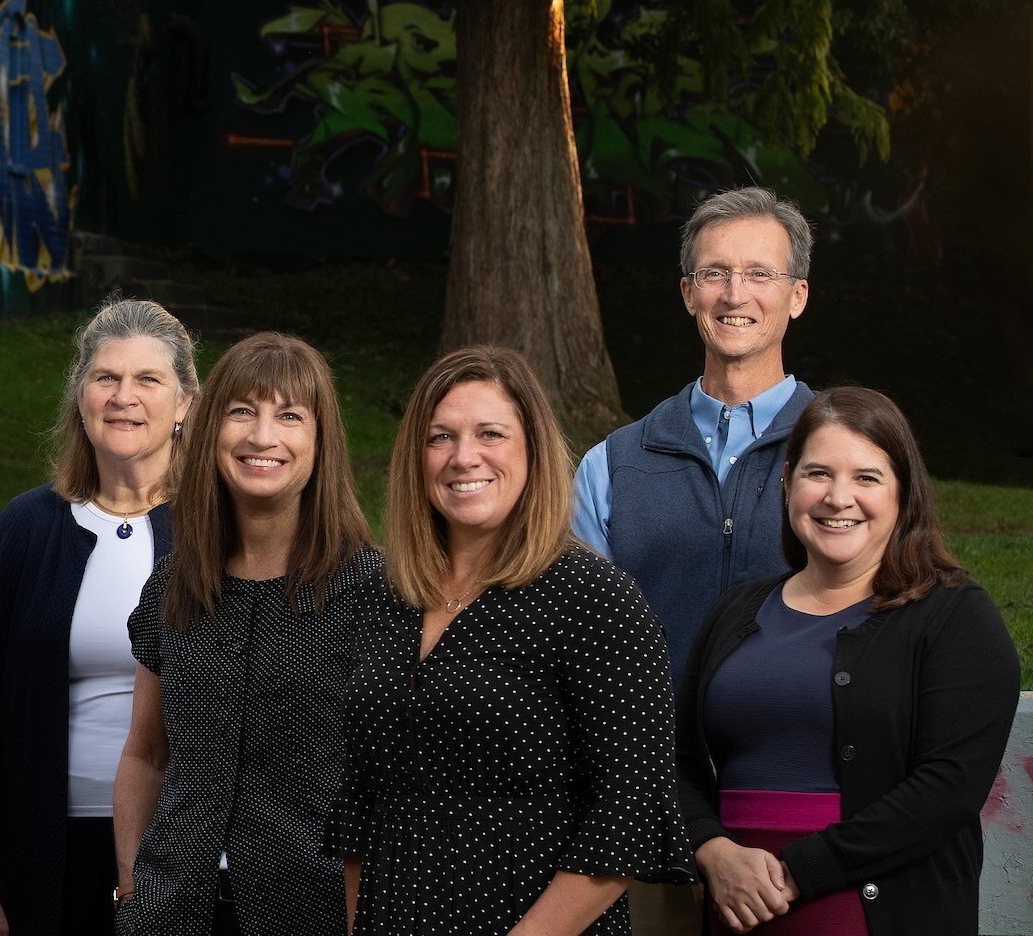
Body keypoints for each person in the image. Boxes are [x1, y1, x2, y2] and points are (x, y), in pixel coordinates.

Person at [333, 346, 684, 935]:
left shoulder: (593, 601)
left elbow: (631, 810)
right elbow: (360, 801)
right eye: (440, 437)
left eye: (490, 433)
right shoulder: (383, 597)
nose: (463, 457)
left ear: (532, 449)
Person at [675, 387, 1018, 936]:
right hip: (737, 909)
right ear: (788, 482)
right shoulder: (736, 611)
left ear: (904, 492)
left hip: (870, 909)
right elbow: (677, 759)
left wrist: (802, 871)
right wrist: (712, 849)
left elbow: (948, 789)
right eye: (817, 474)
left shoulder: (955, 617)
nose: (838, 498)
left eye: (866, 477)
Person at [0, 299, 197, 936]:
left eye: (147, 380)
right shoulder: (27, 528)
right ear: (80, 397)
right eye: (105, 378)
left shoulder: (216, 532)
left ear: (186, 403)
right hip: (39, 850)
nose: (123, 397)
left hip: (182, 850)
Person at [115, 332, 382, 935]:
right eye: (242, 412)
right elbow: (144, 752)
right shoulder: (173, 587)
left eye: (289, 416)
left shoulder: (373, 592)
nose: (263, 437)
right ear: (211, 432)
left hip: (314, 912)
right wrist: (131, 883)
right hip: (172, 909)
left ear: (321, 441)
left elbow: (393, 776)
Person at [574, 186, 818, 680]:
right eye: (715, 273)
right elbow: (576, 635)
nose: (734, 294)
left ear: (797, 296)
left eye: (759, 273)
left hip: (795, 748)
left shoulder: (850, 459)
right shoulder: (611, 467)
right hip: (648, 748)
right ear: (689, 294)